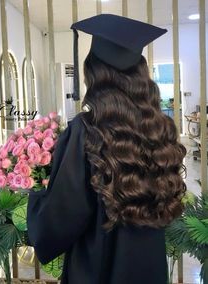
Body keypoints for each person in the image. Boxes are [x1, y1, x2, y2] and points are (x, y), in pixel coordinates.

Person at [27, 14, 186, 284]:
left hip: (99, 265)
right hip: (149, 264)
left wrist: (36, 198)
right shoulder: (161, 127)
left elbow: (64, 216)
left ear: (95, 75)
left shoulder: (86, 131)